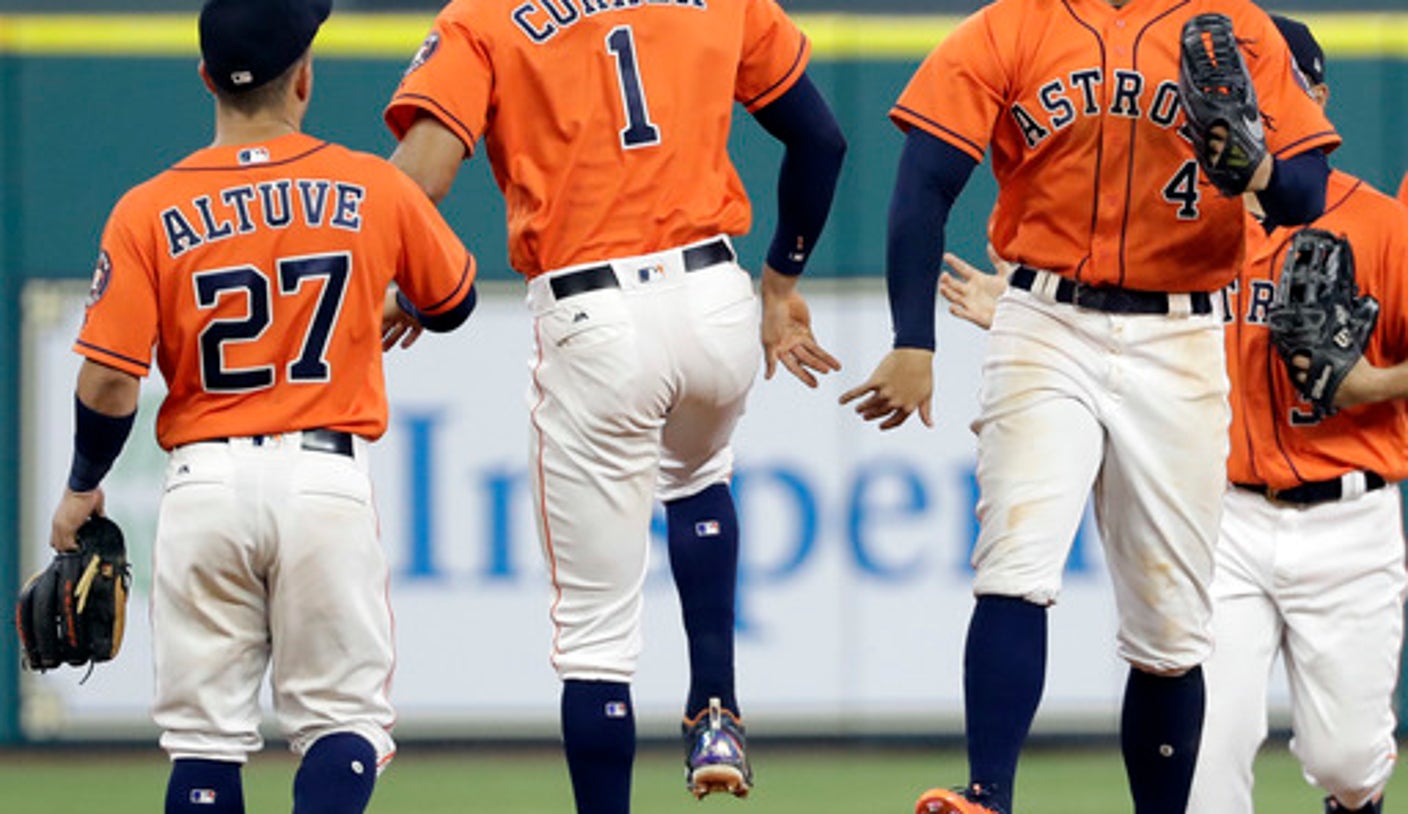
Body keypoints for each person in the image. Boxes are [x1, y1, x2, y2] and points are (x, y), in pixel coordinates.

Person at [837, 0, 1340, 812]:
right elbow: (926, 180)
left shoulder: (1234, 25)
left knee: (1170, 629)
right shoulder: (1010, 27)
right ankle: (986, 795)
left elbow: (1305, 193)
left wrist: (1256, 171)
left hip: (1181, 331)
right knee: (1015, 560)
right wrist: (913, 339)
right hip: (1047, 317)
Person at [379, 1, 846, 812]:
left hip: (593, 310)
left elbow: (423, 171)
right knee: (700, 475)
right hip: (713, 295)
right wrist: (781, 283)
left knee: (595, 633)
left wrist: (412, 286)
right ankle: (716, 709)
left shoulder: (485, 14)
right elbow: (821, 139)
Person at [935, 19, 1408, 812]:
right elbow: (1127, 341)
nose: (1239, 105)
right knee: (1207, 770)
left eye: (1270, 89)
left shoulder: (1378, 228)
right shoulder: (1187, 227)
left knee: (1348, 759)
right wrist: (1027, 315)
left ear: (1311, 102)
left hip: (1348, 521)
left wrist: (1375, 383)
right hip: (1227, 517)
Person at [47, 1, 479, 812]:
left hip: (203, 484)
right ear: (306, 79)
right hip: (323, 480)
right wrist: (399, 302)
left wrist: (81, 487)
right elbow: (452, 297)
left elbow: (109, 380)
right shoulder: (370, 183)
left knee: (205, 741)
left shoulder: (146, 209)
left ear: (206, 78)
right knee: (341, 724)